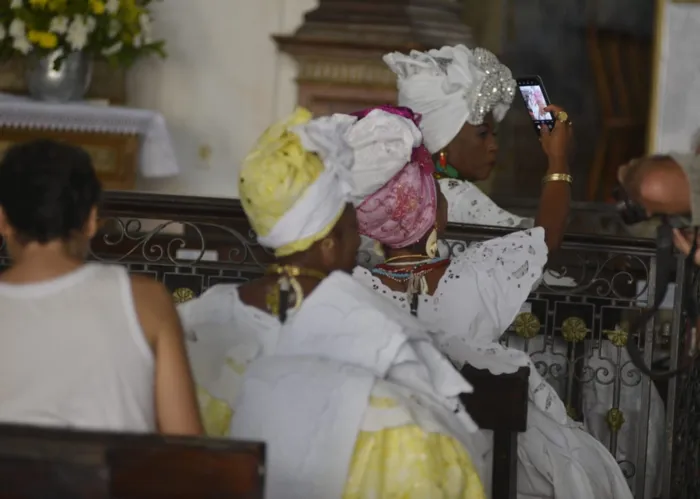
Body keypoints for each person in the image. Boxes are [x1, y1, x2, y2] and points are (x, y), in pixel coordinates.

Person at [186, 108, 488, 498]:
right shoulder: (381, 334)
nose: (357, 246)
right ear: (329, 247)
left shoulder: (201, 319)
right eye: (350, 234)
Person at [347, 105, 633, 499]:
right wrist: (558, 160)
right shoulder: (475, 275)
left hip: (378, 466)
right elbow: (547, 235)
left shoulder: (353, 290)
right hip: (478, 463)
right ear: (433, 218)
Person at [0, 139, 202, 436]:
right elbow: (188, 452)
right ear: (91, 220)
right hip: (114, 482)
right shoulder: (146, 300)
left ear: (3, 220)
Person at [383, 45, 571, 252]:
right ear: (442, 141)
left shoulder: (403, 187)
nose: (493, 146)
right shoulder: (454, 195)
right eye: (482, 134)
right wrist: (558, 159)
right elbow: (540, 247)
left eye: (494, 134)